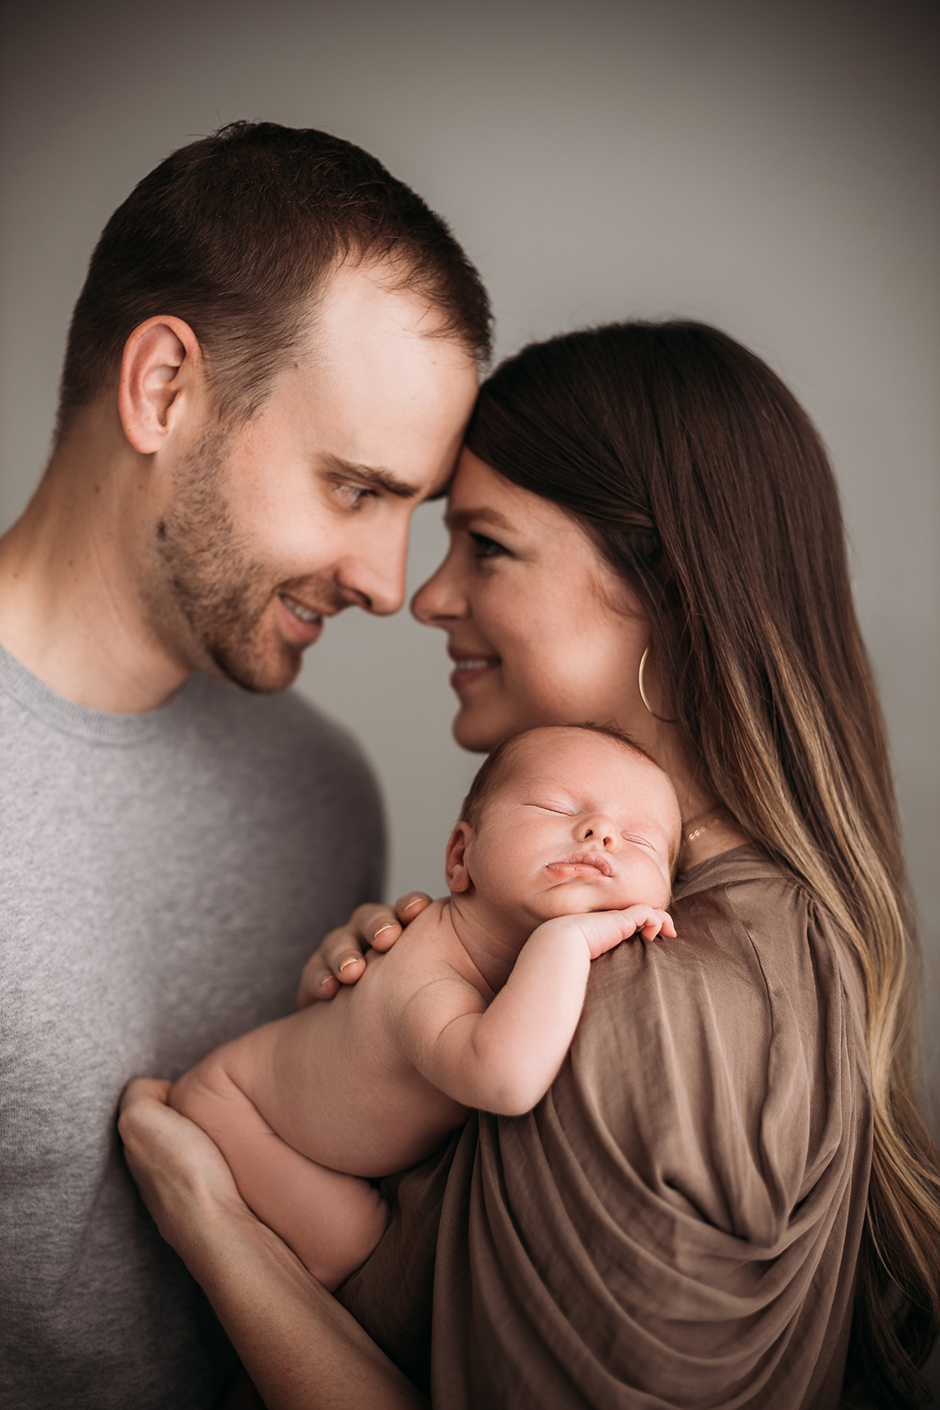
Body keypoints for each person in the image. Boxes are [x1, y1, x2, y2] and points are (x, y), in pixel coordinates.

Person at [120, 321, 940, 1409]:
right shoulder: (609, 939)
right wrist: (368, 1050)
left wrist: (211, 1219)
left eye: (487, 545)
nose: (427, 596)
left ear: (669, 595)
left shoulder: (653, 994)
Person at [0, 121, 488, 1409]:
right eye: (353, 489)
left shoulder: (324, 790)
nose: (391, 585)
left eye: (413, 509)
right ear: (164, 388)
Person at [168, 723, 680, 1290]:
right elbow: (505, 1080)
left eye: (641, 841)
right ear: (461, 855)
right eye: (554, 808)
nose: (601, 833)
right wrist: (566, 941)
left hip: (296, 1117)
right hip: (233, 1104)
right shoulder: (425, 967)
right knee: (349, 1239)